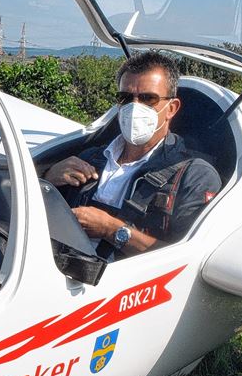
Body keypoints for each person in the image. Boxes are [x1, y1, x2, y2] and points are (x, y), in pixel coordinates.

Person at [44, 51, 220, 258]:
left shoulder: (195, 176)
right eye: (126, 98)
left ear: (171, 108)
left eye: (148, 98)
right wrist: (47, 181)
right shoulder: (90, 157)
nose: (134, 107)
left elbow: (189, 259)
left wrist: (111, 230)